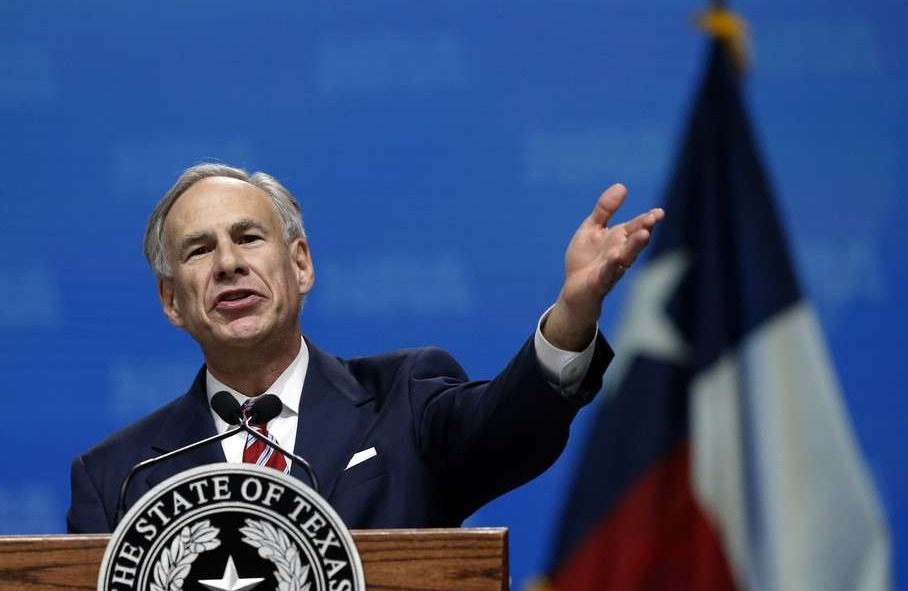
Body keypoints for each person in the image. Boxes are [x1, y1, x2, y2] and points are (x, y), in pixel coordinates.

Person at [67, 163, 664, 533]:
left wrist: (571, 316)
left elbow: (509, 429)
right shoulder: (118, 478)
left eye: (249, 238)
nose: (228, 264)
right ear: (172, 300)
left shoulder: (403, 400)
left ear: (300, 265)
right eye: (200, 250)